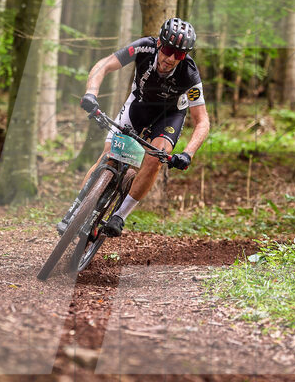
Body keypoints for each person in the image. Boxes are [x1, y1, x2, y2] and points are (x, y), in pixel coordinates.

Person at [63, 17, 211, 237]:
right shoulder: (144, 47)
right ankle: (77, 210)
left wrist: (188, 154)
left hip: (168, 116)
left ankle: (119, 216)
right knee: (109, 154)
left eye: (179, 54)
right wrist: (91, 93)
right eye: (168, 50)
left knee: (155, 158)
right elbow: (104, 65)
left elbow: (202, 120)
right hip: (139, 104)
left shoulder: (189, 74)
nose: (171, 58)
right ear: (159, 43)